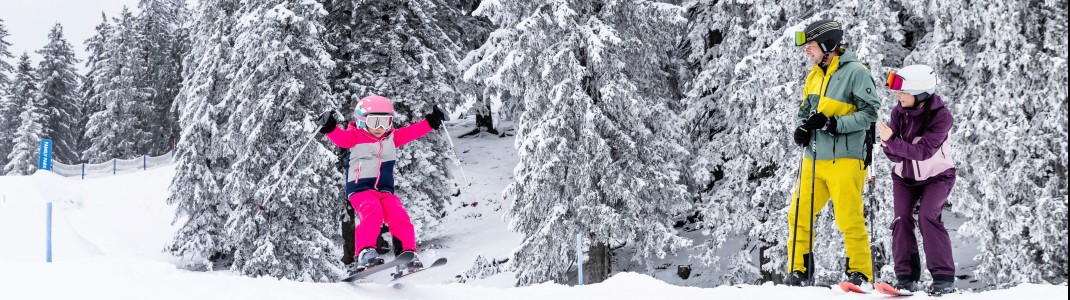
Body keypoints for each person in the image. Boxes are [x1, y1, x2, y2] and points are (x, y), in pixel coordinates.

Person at [786, 19, 880, 287]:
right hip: (814, 158)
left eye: (811, 46)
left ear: (828, 45)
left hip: (846, 159)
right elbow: (805, 111)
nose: (807, 51)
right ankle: (798, 270)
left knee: (848, 217)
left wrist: (834, 124)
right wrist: (801, 128)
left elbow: (870, 114)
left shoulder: (856, 73)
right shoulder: (814, 75)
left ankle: (859, 272)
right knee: (799, 214)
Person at [317, 95, 447, 272]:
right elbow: (340, 138)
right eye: (375, 121)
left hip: (384, 190)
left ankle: (406, 253)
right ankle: (365, 252)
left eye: (385, 122)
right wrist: (330, 127)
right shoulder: (354, 137)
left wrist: (431, 121)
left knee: (398, 213)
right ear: (362, 121)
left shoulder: (391, 138)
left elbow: (412, 132)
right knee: (373, 211)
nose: (380, 128)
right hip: (360, 189)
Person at [878, 64, 956, 295]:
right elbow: (894, 154)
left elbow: (923, 152)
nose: (897, 95)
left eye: (902, 91)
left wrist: (892, 140)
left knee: (927, 217)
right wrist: (889, 144)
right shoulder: (898, 112)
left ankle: (943, 277)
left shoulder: (942, 117)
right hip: (905, 177)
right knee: (901, 219)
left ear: (920, 93)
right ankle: (905, 278)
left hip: (938, 177)